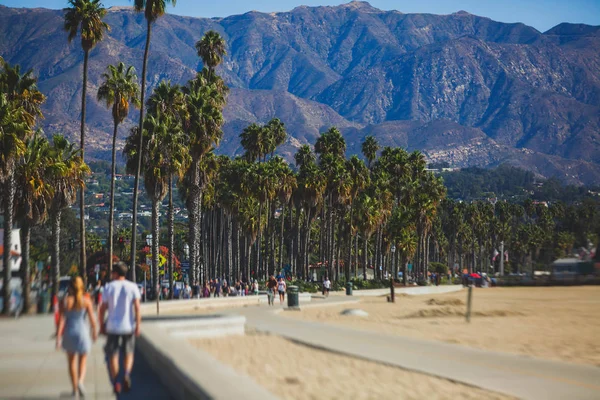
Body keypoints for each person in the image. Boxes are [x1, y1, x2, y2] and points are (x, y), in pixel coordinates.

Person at [99, 262, 141, 394]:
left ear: (116, 273)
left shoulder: (109, 287)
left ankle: (116, 381)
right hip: (128, 326)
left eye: (112, 272)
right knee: (129, 352)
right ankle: (127, 374)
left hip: (112, 326)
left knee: (113, 355)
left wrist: (101, 325)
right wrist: (138, 325)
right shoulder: (132, 287)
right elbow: (137, 308)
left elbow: (102, 309)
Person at [56, 276, 98, 398]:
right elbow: (92, 320)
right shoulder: (86, 301)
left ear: (70, 286)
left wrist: (58, 338)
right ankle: (80, 381)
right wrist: (94, 332)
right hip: (83, 333)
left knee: (71, 362)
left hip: (69, 333)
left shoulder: (65, 301)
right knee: (82, 361)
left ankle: (74, 389)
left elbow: (61, 321)